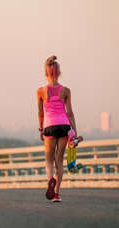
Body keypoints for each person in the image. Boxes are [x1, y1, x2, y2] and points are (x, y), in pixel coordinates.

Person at [36, 55, 78, 202]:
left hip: (49, 127)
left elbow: (41, 113)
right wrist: (75, 132)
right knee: (59, 160)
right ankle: (57, 193)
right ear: (59, 72)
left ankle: (50, 179)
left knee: (49, 160)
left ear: (46, 72)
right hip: (64, 126)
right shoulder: (66, 90)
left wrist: (41, 129)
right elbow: (70, 113)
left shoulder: (41, 91)